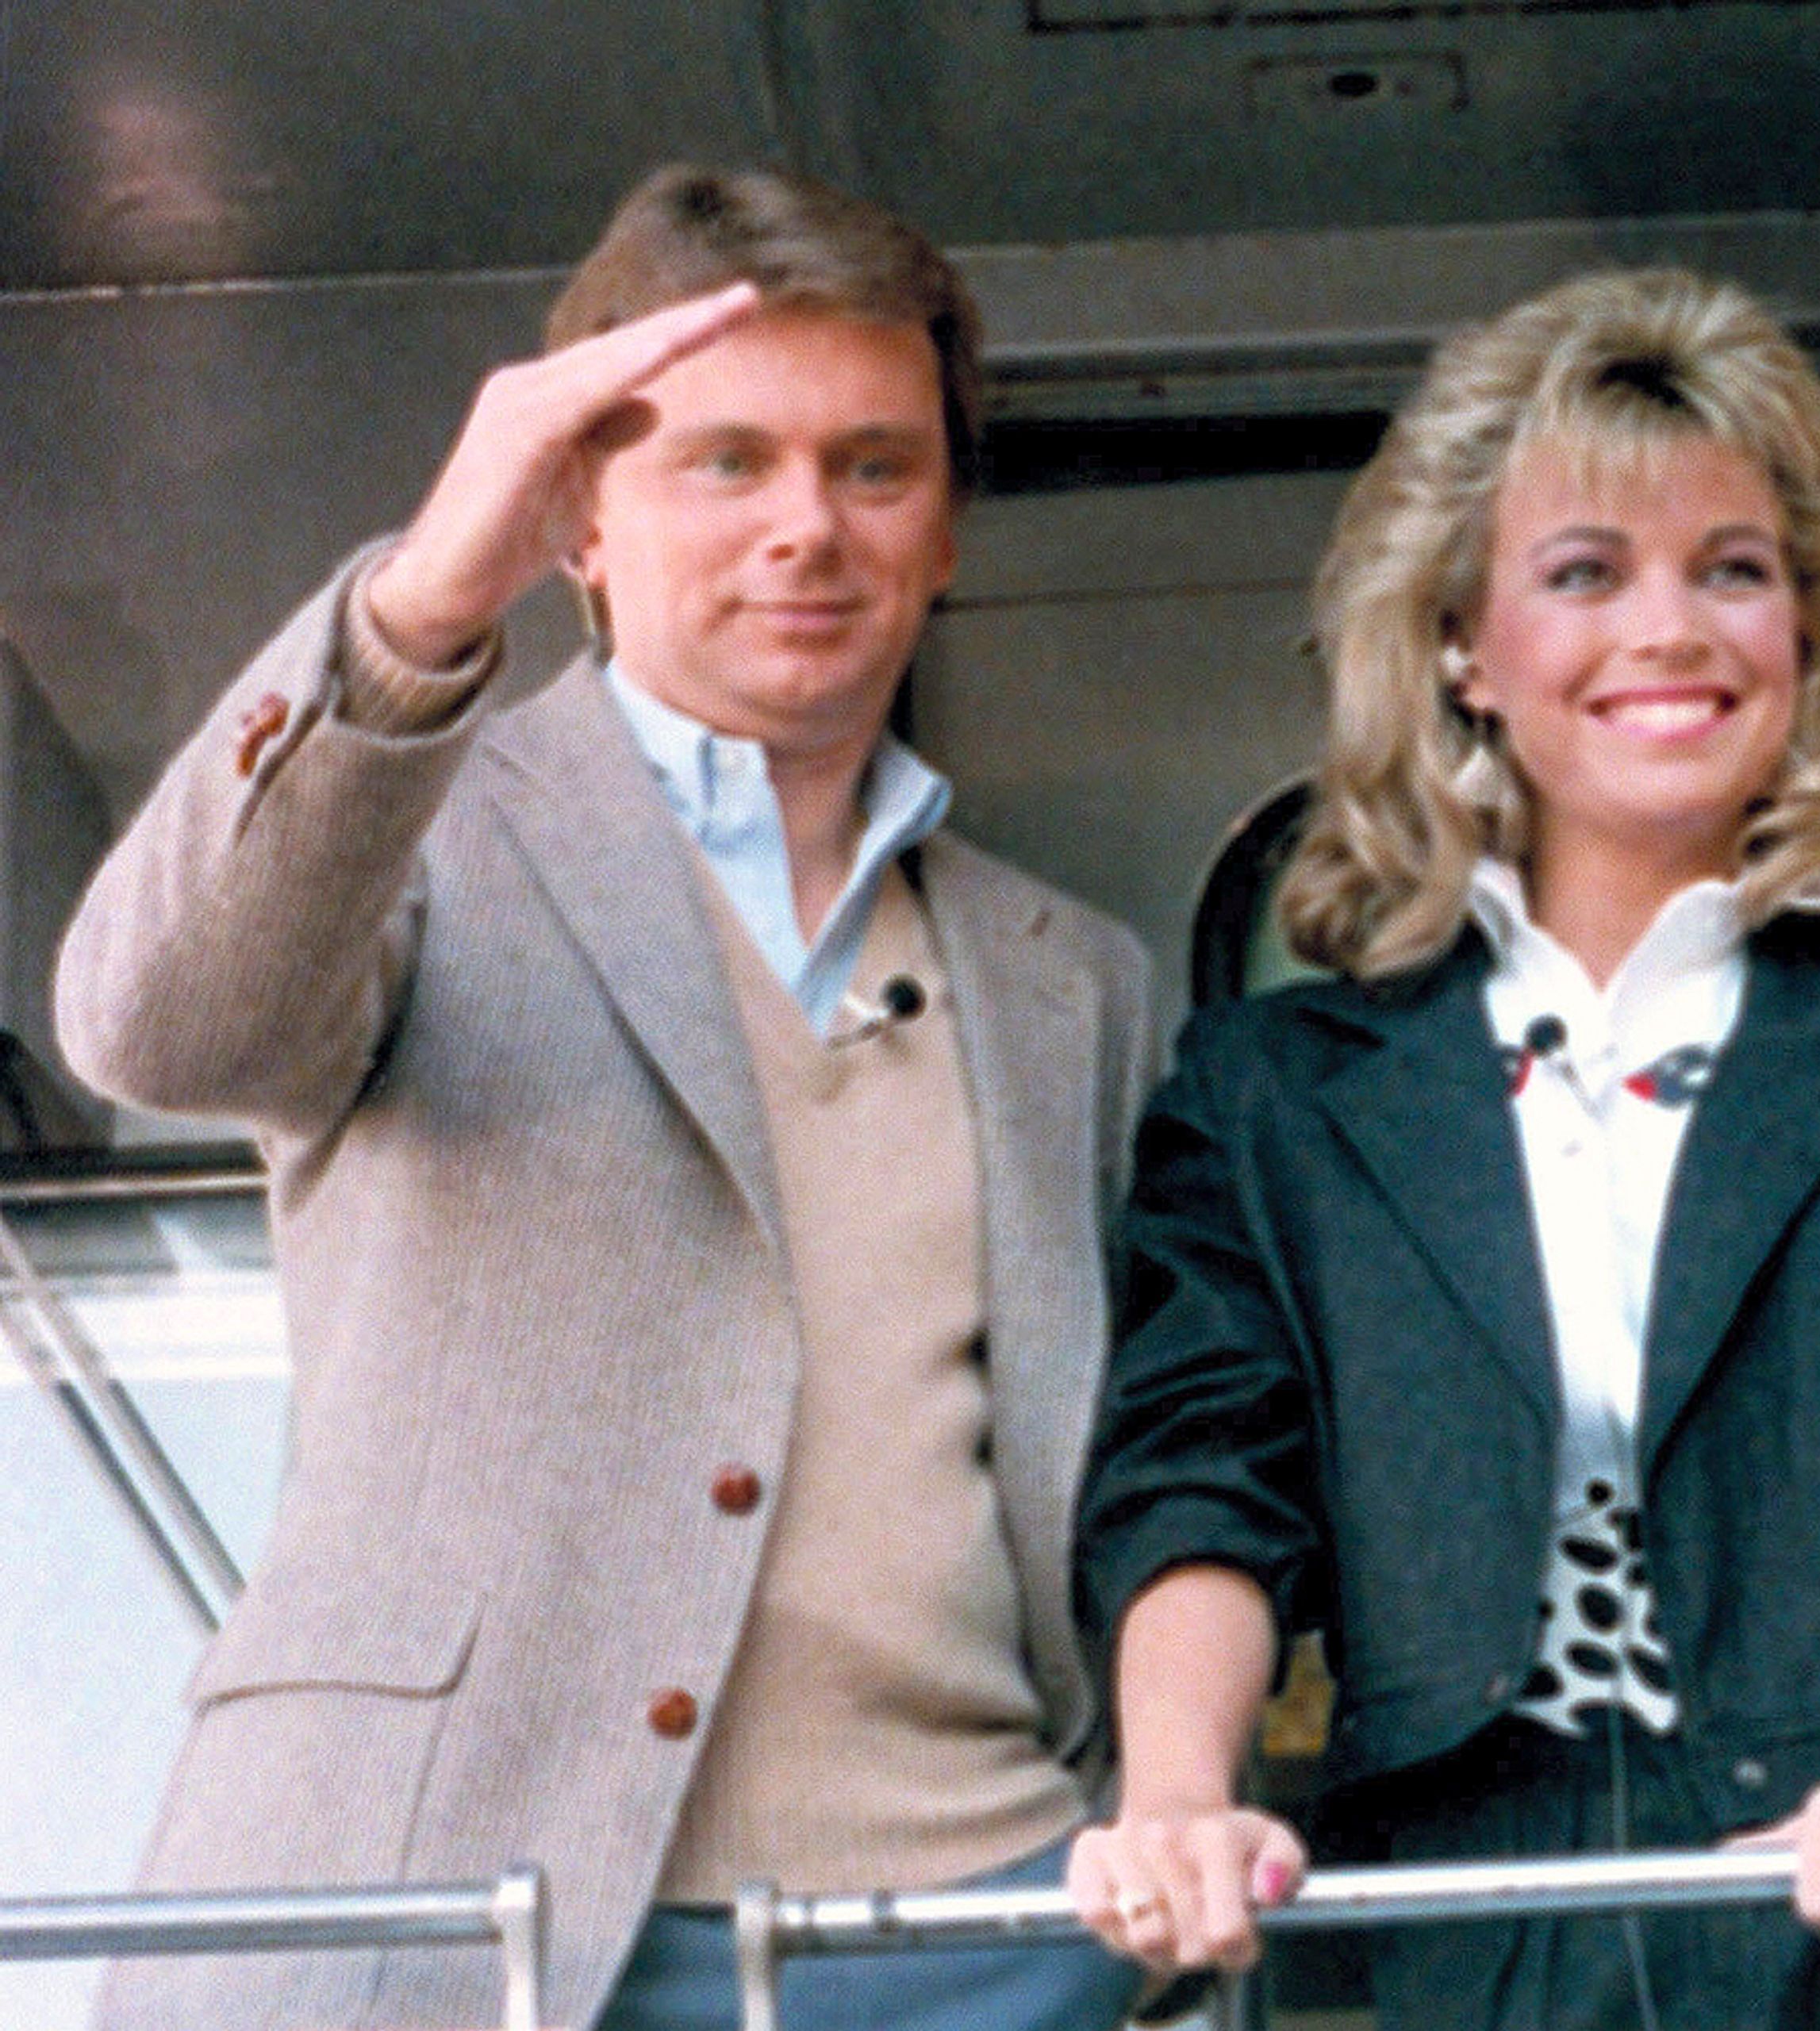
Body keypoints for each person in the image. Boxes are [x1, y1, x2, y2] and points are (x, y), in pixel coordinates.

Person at [1066, 267, 1820, 2029]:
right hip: (1461, 1940)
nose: (1676, 628)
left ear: (1811, 628)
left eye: (1735, 568)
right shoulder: (1273, 1095)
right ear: (1463, 655)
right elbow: (1201, 1484)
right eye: (1586, 573)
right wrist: (1179, 1785)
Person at [56, 165, 1154, 2031]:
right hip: (463, 1907)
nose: (807, 526)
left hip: (989, 1928)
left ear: (949, 526)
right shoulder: (402, 833)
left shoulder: (1076, 973)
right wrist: (419, 601)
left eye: (875, 465)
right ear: (576, 517)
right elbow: (158, 1032)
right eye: (725, 461)